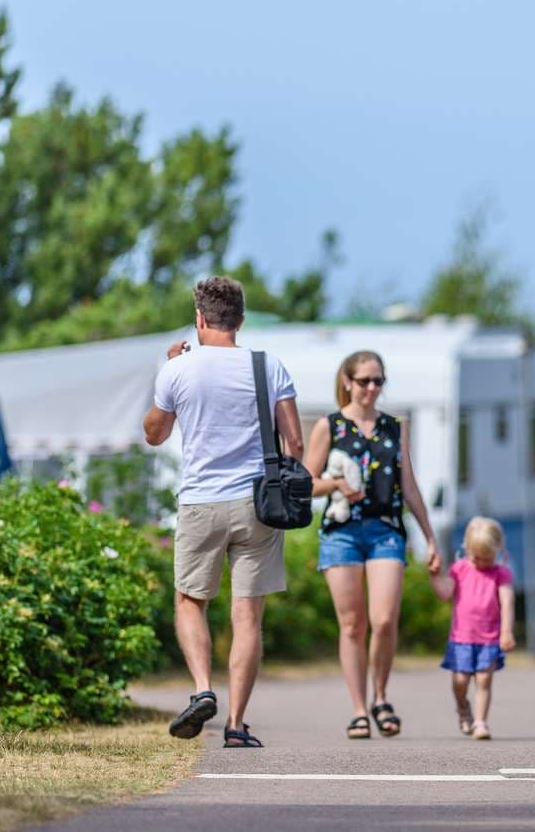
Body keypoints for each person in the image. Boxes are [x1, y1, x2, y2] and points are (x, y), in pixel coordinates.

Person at [143, 276, 302, 749]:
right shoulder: (267, 366)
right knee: (247, 616)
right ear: (241, 320)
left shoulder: (178, 369)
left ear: (199, 318)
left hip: (201, 502)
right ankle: (237, 724)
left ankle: (202, 689)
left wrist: (170, 372)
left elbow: (154, 433)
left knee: (190, 601)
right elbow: (293, 442)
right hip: (258, 503)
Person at [303, 350, 441, 739]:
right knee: (352, 625)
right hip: (342, 531)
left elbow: (409, 485)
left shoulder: (394, 426)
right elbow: (307, 483)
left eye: (378, 380)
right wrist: (335, 484)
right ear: (347, 381)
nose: (371, 388)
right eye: (364, 380)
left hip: (385, 529)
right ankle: (359, 708)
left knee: (383, 621)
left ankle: (381, 694)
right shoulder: (330, 427)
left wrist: (430, 537)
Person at [431, 516, 516, 741]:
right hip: (462, 638)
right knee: (460, 681)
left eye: (487, 558)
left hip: (489, 638)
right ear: (467, 549)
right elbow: (445, 594)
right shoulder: (459, 569)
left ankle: (480, 722)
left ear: (497, 551)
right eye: (475, 557)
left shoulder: (501, 574)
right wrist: (434, 576)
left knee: (484, 680)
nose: (480, 562)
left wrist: (506, 632)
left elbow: (507, 602)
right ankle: (462, 707)